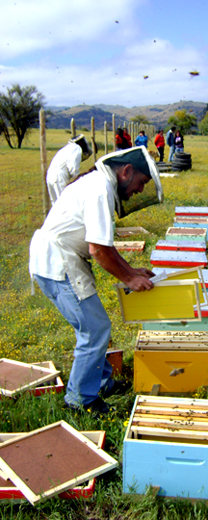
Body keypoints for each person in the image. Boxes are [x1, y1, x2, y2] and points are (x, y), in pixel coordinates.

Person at [29, 147, 163, 415]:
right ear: (126, 171)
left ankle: (101, 382)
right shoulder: (99, 189)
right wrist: (128, 279)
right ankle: (80, 400)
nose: (138, 191)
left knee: (93, 326)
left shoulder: (97, 183)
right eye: (140, 183)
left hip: (61, 259)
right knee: (95, 329)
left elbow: (105, 245)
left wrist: (132, 271)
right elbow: (98, 250)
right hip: (59, 263)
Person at [46, 134, 92, 205]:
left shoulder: (67, 148)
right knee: (64, 204)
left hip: (50, 175)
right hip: (60, 177)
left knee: (56, 205)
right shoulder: (76, 148)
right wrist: (77, 180)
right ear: (81, 143)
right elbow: (73, 167)